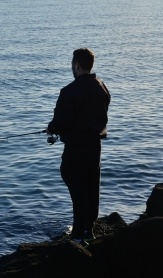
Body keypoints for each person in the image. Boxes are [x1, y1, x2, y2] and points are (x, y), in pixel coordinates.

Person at [47, 48, 110, 247]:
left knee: (78, 191)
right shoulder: (101, 87)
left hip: (76, 149)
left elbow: (60, 123)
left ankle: (77, 236)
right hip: (95, 148)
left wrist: (51, 129)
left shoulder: (69, 91)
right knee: (92, 190)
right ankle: (88, 230)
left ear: (76, 65)